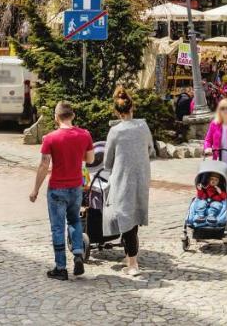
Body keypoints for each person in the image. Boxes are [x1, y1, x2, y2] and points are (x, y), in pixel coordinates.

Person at [29, 101, 95, 280]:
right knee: (74, 221)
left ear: (56, 117)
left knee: (58, 227)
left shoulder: (50, 138)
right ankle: (78, 253)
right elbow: (90, 159)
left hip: (57, 188)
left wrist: (35, 189)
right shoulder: (85, 135)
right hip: (76, 187)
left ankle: (61, 267)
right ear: (73, 116)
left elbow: (44, 165)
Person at [103, 86, 152, 278]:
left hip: (123, 177)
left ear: (116, 111)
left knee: (125, 216)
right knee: (133, 216)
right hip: (141, 176)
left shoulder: (115, 131)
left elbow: (108, 161)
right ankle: (130, 257)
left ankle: (133, 263)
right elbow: (150, 148)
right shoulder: (143, 126)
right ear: (133, 108)